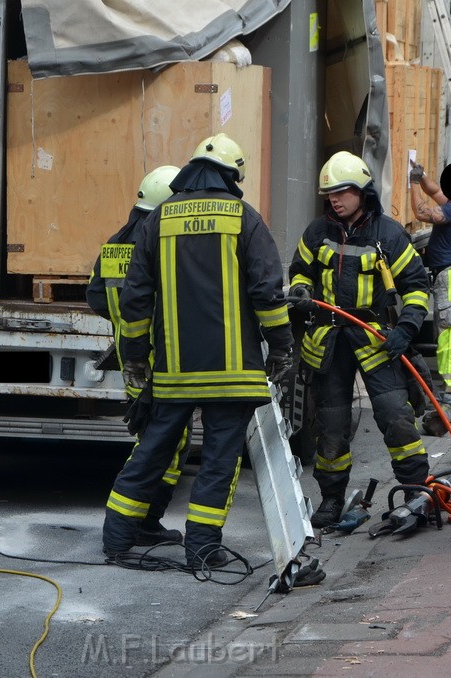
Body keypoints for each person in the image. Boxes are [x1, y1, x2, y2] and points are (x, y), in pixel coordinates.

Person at [102, 133, 295, 568]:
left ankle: (116, 541)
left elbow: (135, 298)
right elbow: (267, 293)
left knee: (152, 452)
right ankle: (203, 549)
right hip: (233, 375)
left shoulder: (158, 220)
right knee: (218, 463)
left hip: (174, 372)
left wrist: (134, 356)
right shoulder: (245, 218)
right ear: (233, 175)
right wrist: (282, 347)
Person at [288, 151, 431, 528]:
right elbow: (300, 272)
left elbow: (416, 288)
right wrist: (301, 293)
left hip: (375, 340)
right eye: (329, 193)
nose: (334, 199)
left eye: (342, 191)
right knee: (330, 427)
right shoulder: (316, 232)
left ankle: (417, 491)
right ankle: (332, 499)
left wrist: (405, 330)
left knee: (396, 418)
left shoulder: (388, 234)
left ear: (362, 191)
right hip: (328, 341)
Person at [86, 165, 190, 548]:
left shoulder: (115, 243)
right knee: (165, 444)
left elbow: (96, 296)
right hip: (162, 358)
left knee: (157, 439)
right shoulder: (158, 242)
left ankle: (141, 522)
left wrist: (122, 324)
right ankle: (140, 522)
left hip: (132, 360)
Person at [409, 160, 451, 410]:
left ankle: (450, 390)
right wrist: (423, 175)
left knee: (449, 333)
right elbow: (434, 191)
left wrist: (413, 183)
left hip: (449, 276)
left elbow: (421, 213)